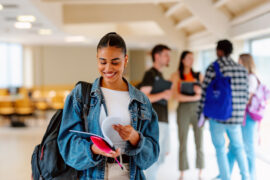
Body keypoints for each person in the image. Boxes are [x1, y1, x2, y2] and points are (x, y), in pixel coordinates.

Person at [57, 32, 160, 180]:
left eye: (115, 62)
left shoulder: (141, 100)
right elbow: (67, 145)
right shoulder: (80, 95)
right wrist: (94, 149)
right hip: (91, 175)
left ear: (126, 60)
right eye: (103, 62)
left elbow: (152, 154)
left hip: (129, 174)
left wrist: (135, 138)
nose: (108, 68)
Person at [198, 40, 250, 180]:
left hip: (218, 116)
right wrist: (239, 111)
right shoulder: (242, 69)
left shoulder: (214, 67)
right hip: (236, 117)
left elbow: (204, 94)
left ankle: (226, 178)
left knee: (220, 150)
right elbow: (246, 95)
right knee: (239, 148)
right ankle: (247, 177)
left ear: (219, 51)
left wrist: (200, 115)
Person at [139, 44, 172, 180]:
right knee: (154, 156)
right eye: (166, 55)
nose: (168, 58)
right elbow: (143, 96)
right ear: (157, 56)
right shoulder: (150, 74)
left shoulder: (159, 74)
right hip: (155, 121)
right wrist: (163, 94)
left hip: (164, 120)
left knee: (163, 155)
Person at [171, 51, 204, 179]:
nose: (191, 60)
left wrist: (199, 92)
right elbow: (175, 96)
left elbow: (205, 94)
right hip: (183, 109)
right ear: (183, 60)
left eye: (193, 58)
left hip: (197, 109)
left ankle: (200, 171)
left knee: (199, 140)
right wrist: (195, 97)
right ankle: (182, 172)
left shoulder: (199, 75)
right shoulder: (176, 75)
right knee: (183, 140)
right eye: (189, 58)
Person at [227, 54, 259, 180]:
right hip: (241, 116)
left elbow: (246, 98)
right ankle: (225, 174)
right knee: (233, 146)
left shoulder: (251, 78)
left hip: (248, 118)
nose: (237, 63)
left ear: (245, 62)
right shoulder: (244, 77)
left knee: (247, 148)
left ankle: (250, 177)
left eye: (239, 61)